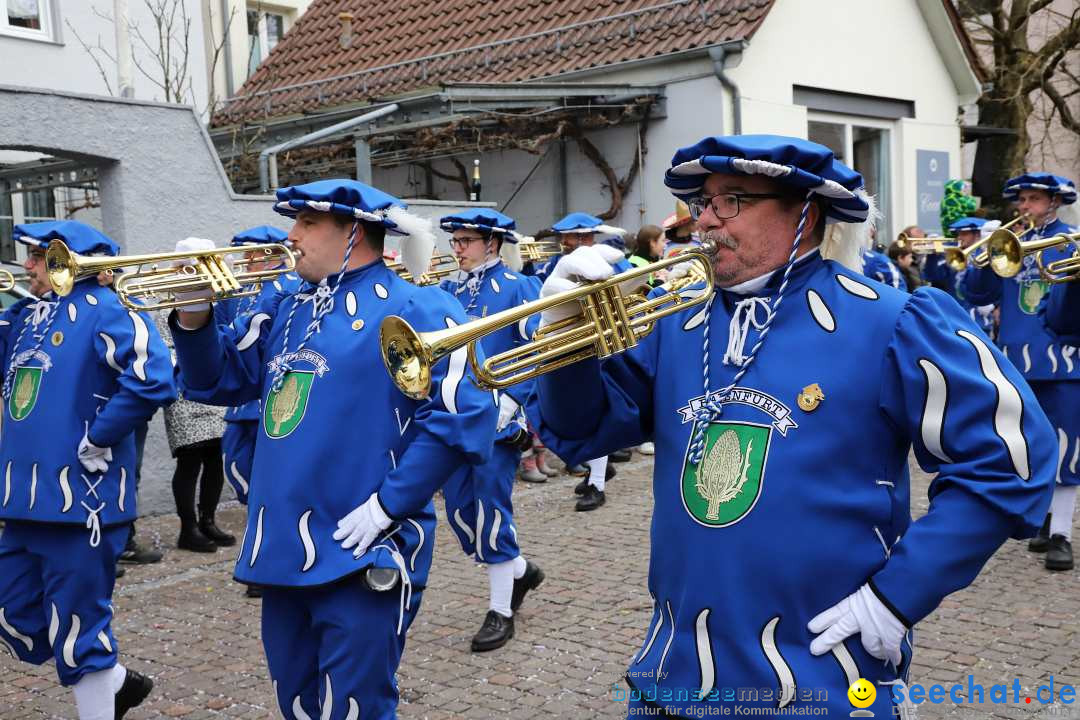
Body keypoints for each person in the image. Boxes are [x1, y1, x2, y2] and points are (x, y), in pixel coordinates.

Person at [528, 134, 1056, 717]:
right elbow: (581, 428)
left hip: (824, 672)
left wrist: (896, 597)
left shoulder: (892, 318)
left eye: (731, 200)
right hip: (672, 675)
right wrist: (563, 339)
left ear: (805, 211)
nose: (704, 221)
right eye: (702, 202)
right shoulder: (676, 322)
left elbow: (1010, 459)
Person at [168, 179, 497, 718]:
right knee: (296, 697)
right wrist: (193, 315)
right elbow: (218, 380)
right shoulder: (287, 305)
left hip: (365, 540)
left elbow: (461, 416)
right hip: (282, 547)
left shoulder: (419, 305)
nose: (291, 235)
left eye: (307, 223)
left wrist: (390, 504)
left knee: (357, 704)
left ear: (352, 231)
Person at [0, 220, 176, 719]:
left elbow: (153, 378)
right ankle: (115, 682)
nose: (28, 265)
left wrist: (100, 435)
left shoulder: (109, 309)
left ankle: (100, 698)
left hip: (83, 500)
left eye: (39, 256)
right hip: (21, 498)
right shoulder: (27, 316)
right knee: (15, 612)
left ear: (71, 260)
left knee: (79, 626)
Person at [437, 208, 546, 651]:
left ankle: (501, 611)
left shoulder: (520, 288)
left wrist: (513, 403)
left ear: (492, 243)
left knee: (490, 509)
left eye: (466, 241)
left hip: (499, 419)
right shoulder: (444, 290)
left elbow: (540, 352)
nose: (458, 249)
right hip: (452, 417)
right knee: (462, 514)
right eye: (455, 241)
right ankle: (520, 571)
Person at [963, 172, 1079, 571]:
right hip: (1015, 361)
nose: (1024, 207)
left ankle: (1062, 533)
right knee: (1029, 446)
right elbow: (978, 295)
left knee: (1066, 446)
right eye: (1022, 200)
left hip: (1065, 362)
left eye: (1033, 199)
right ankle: (1044, 517)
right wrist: (987, 252)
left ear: (1054, 202)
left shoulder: (1071, 239)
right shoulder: (1012, 243)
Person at [541, 212, 631, 511]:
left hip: (601, 347)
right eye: (571, 238)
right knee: (576, 412)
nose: (575, 243)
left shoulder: (612, 262)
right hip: (567, 345)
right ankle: (598, 470)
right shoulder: (557, 267)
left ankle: (597, 484)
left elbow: (632, 294)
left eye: (581, 237)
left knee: (596, 414)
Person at [153, 303, 233, 553]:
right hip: (180, 380)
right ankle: (188, 529)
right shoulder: (154, 298)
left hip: (208, 377)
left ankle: (207, 521)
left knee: (214, 456)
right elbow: (157, 342)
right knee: (189, 458)